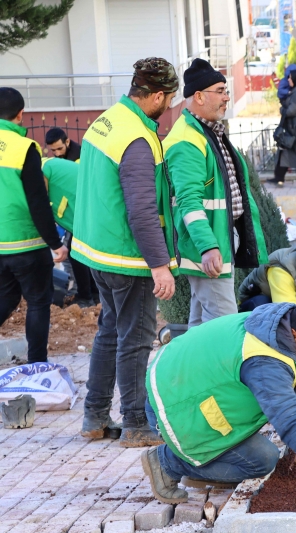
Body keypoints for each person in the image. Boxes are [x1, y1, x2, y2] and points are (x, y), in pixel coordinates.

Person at [141, 294, 296, 503]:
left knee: (259, 453)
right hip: (174, 403)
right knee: (261, 460)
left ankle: (201, 465)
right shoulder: (265, 361)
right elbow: (292, 423)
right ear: (295, 334)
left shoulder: (284, 335)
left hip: (190, 387)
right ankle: (167, 462)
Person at [72, 58, 179, 446]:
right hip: (126, 256)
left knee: (110, 331)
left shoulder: (107, 120)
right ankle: (135, 424)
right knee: (135, 338)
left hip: (97, 251)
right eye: (169, 98)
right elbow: (142, 209)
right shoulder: (137, 138)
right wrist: (159, 265)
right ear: (157, 95)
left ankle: (95, 417)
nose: (170, 105)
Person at [164, 58, 268, 327]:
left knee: (202, 324)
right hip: (209, 245)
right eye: (220, 91)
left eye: (226, 91)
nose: (227, 97)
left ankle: (190, 358)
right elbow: (188, 202)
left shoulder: (205, 132)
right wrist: (208, 247)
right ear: (199, 96)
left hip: (217, 240)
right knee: (223, 325)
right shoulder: (187, 140)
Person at [0, 88, 69, 364]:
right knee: (39, 302)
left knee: (6, 298)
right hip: (26, 243)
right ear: (20, 115)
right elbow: (37, 200)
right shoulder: (23, 148)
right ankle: (37, 364)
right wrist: (55, 243)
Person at [42, 157, 98, 307]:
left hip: (87, 208)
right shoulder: (49, 166)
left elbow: (40, 203)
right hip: (85, 208)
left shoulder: (41, 170)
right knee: (81, 253)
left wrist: (53, 241)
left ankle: (86, 297)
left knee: (76, 252)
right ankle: (93, 294)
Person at [269, 69, 296, 188]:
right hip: (295, 130)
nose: (288, 80)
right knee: (284, 151)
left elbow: (291, 111)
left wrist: (282, 109)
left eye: (290, 77)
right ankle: (279, 178)